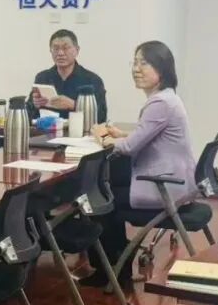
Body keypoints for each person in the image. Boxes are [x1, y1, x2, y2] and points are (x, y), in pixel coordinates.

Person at [82, 41, 195, 287]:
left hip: (164, 186)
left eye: (144, 63)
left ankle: (112, 268)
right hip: (173, 182)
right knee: (108, 189)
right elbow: (144, 137)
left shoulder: (160, 103)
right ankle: (118, 262)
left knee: (99, 200)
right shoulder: (168, 98)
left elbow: (130, 148)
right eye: (135, 62)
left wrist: (102, 137)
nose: (136, 69)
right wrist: (121, 134)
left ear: (161, 69)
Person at [28, 29, 107, 123]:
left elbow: (101, 117)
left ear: (77, 50)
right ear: (50, 51)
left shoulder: (92, 80)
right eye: (56, 48)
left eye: (66, 48)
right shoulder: (42, 78)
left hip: (81, 131)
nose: (60, 53)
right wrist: (35, 105)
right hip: (47, 131)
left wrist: (74, 105)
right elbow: (28, 114)